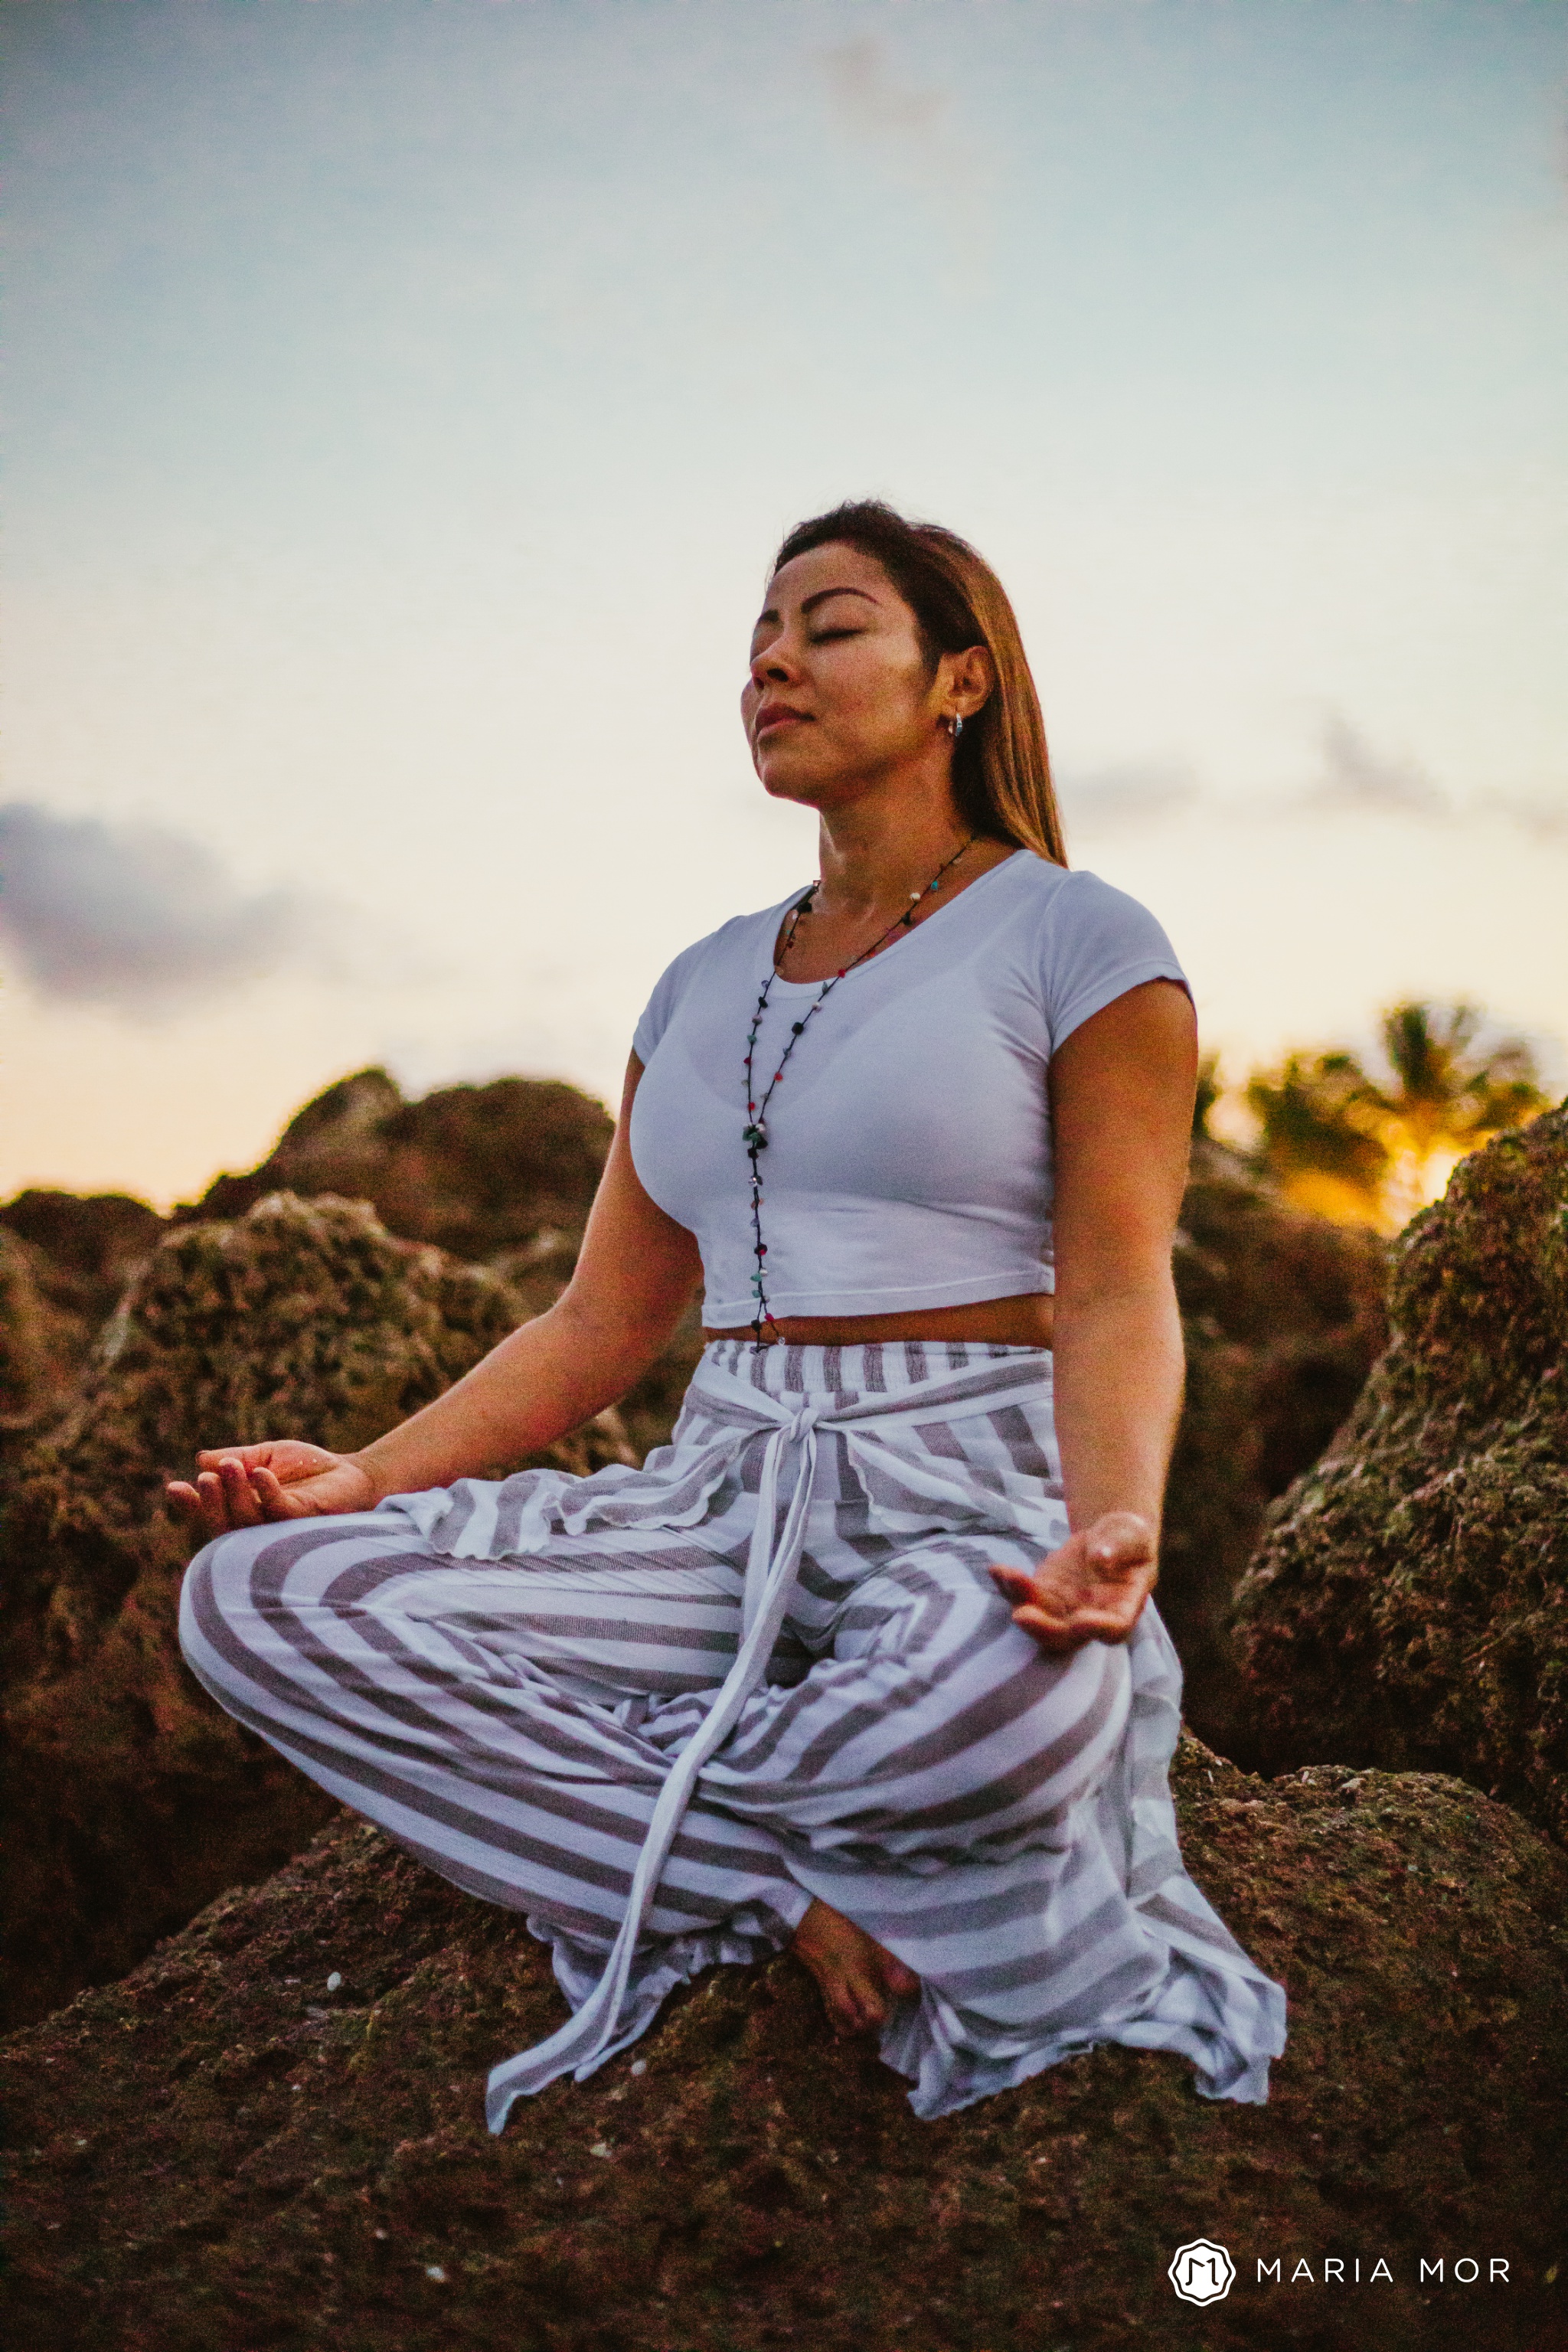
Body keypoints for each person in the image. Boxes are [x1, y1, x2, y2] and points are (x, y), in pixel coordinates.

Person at [173, 500, 1285, 2134]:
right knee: (254, 1599)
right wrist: (366, 1481)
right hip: (714, 1499)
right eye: (758, 639)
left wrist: (1109, 1528)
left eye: (828, 627)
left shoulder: (1080, 940)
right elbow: (596, 1324)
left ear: (959, 680)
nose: (774, 662)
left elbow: (1121, 1280)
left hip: (963, 1493)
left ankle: (635, 1779)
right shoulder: (699, 983)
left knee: (1029, 1703)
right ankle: (765, 1878)